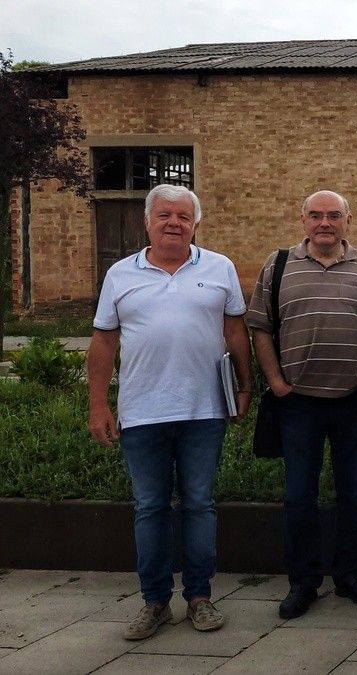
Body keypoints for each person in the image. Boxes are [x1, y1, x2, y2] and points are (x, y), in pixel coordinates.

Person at [87, 184, 252, 640]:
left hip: (204, 411)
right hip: (141, 412)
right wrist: (98, 405)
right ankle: (154, 601)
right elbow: (103, 342)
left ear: (195, 224)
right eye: (164, 215)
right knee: (150, 508)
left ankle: (199, 597)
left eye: (183, 216)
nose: (173, 223)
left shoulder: (220, 268)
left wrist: (246, 385)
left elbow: (236, 332)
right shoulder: (120, 274)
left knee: (200, 505)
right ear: (147, 221)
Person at [247, 190, 357, 619]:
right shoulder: (279, 265)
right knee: (299, 496)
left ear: (349, 220)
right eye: (315, 215)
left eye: (333, 216)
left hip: (354, 401)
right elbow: (260, 328)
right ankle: (303, 582)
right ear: (302, 220)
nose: (324, 223)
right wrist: (274, 381)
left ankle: (350, 575)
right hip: (298, 404)